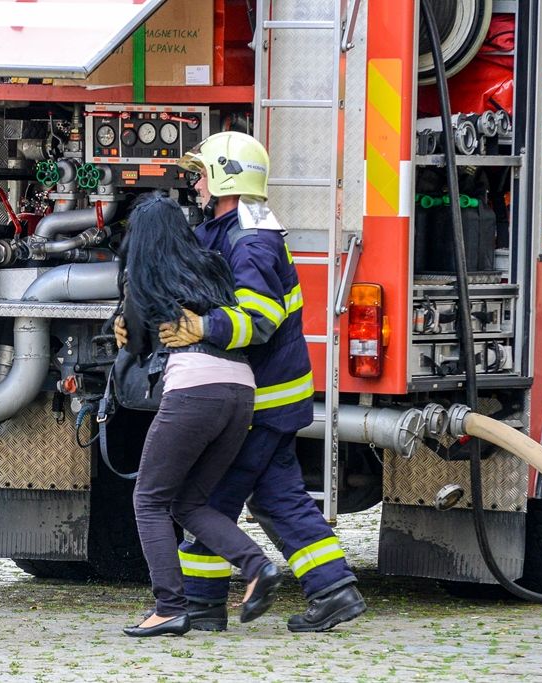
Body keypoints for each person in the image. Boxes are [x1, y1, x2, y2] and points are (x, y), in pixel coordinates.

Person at [162, 131, 366, 632]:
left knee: (210, 500)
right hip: (268, 398)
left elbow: (260, 318)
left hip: (261, 402)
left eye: (201, 174)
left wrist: (202, 328)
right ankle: (333, 589)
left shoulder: (251, 241)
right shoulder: (230, 228)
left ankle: (201, 605)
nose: (195, 186)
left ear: (223, 176)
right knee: (277, 496)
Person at [118, 193, 283, 638]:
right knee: (189, 502)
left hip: (193, 388)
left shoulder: (145, 272)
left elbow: (134, 344)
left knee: (148, 499)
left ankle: (170, 607)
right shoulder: (211, 264)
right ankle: (257, 567)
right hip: (240, 389)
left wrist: (123, 328)